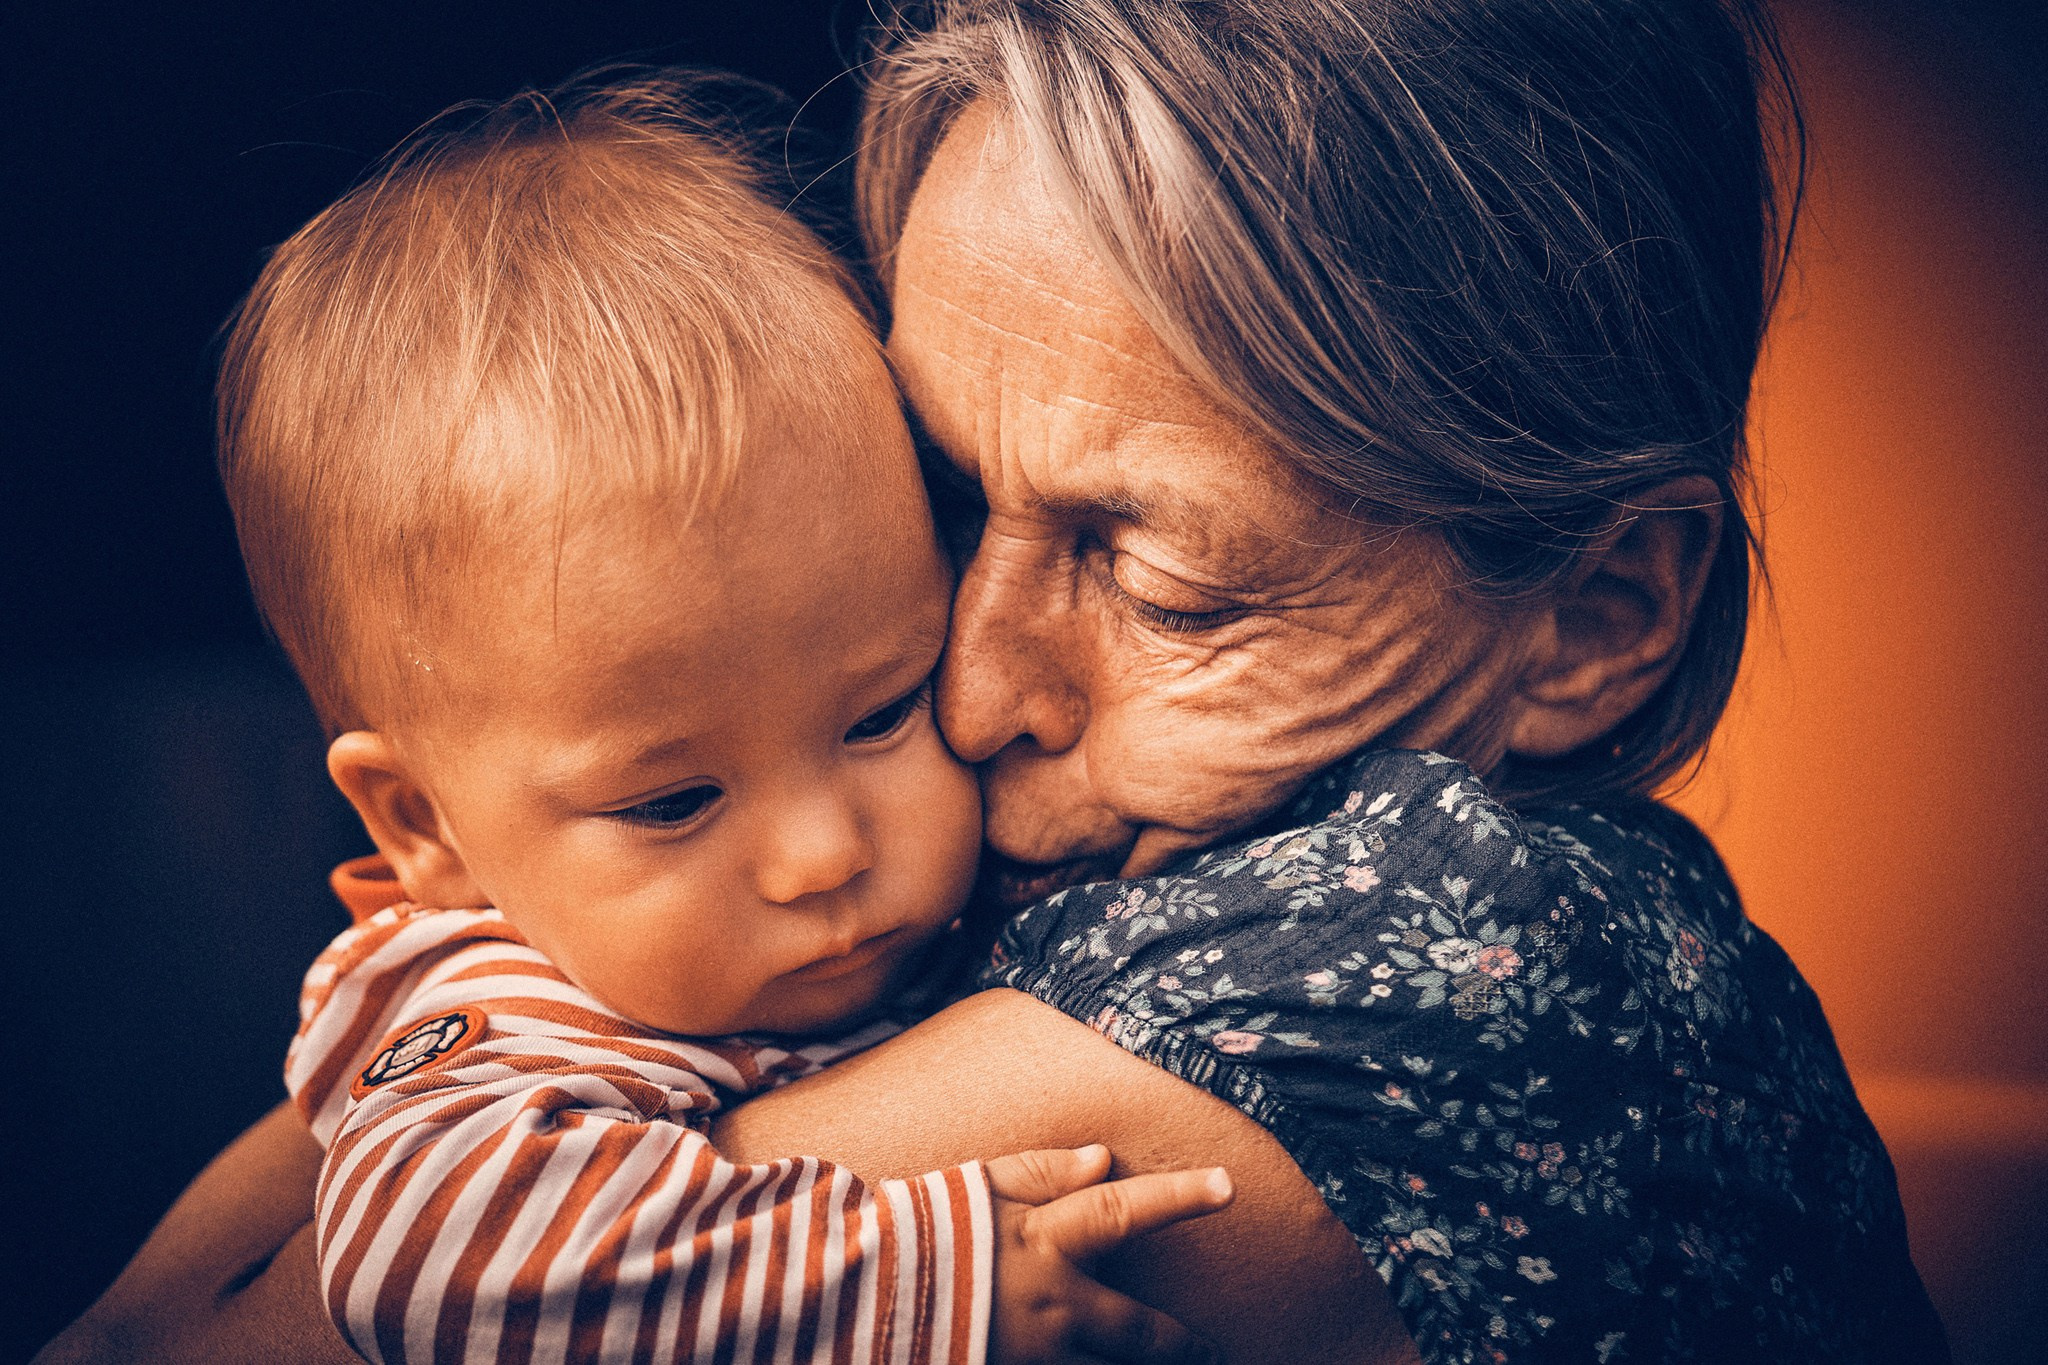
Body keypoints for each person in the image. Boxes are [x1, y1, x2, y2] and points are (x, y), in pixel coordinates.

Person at [39, 2, 1947, 1363]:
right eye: (949, 499)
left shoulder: (1467, 955)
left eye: (1169, 578)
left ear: (1600, 615)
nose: (965, 696)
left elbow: (262, 1331)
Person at [162, 73, 1236, 1365]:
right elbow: (425, 1257)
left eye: (882, 709)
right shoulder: (509, 1008)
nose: (824, 852)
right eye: (672, 800)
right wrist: (908, 1281)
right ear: (424, 824)